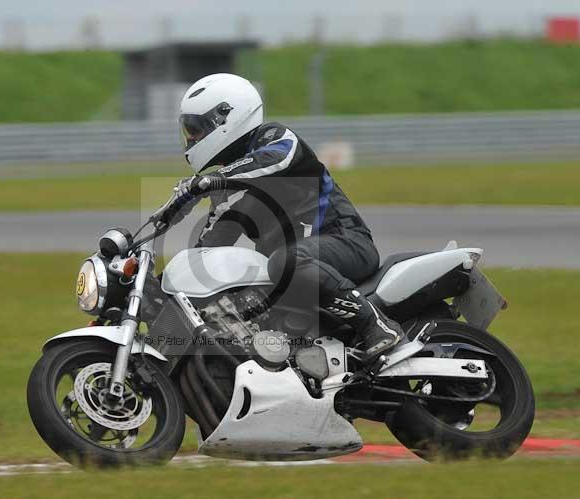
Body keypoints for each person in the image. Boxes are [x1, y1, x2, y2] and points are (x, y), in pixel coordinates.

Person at [161, 73, 403, 359]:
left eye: (197, 129)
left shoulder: (274, 139)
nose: (191, 138)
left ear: (226, 117)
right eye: (188, 130)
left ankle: (377, 325)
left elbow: (276, 158)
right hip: (295, 272)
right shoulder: (230, 188)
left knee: (285, 261)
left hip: (345, 242)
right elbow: (206, 249)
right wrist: (161, 287)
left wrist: (213, 179)